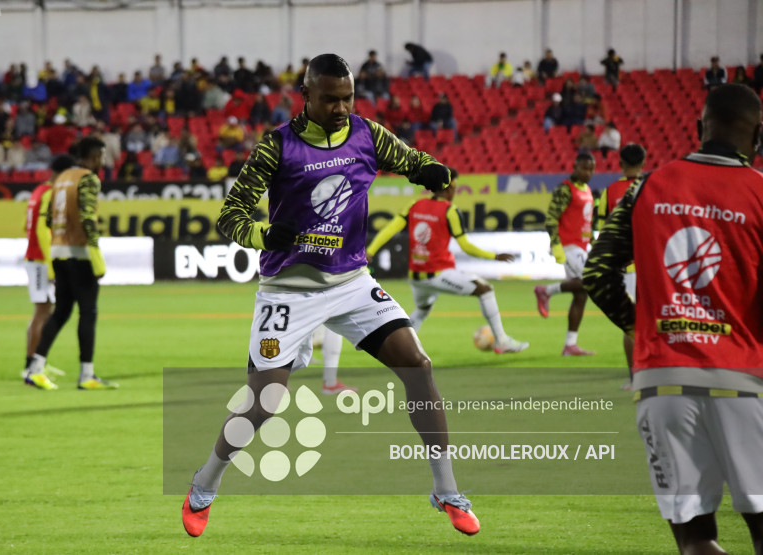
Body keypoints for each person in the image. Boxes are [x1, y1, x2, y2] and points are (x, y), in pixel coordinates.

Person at [182, 53, 479, 538]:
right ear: (306, 95)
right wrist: (263, 235)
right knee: (265, 400)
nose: (341, 108)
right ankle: (205, 483)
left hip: (351, 282)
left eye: (348, 98)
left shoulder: (367, 134)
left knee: (418, 365)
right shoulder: (277, 146)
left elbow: (413, 160)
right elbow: (230, 215)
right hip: (288, 289)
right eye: (330, 99)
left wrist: (432, 171)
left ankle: (447, 490)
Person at [583, 83, 763, 555]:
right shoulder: (760, 193)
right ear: (758, 135)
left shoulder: (646, 187)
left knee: (696, 540)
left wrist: (642, 328)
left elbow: (597, 273)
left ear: (700, 127)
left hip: (661, 380)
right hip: (744, 378)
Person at [366, 168, 528, 353]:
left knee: (422, 309)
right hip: (437, 274)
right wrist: (494, 256)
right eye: (454, 187)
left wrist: (370, 250)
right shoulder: (450, 211)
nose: (454, 192)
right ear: (449, 188)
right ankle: (502, 341)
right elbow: (465, 245)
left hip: (416, 277)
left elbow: (390, 229)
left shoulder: (415, 205)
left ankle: (400, 350)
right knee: (485, 290)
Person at [23, 137, 118, 391]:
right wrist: (97, 259)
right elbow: (87, 218)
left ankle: (35, 368)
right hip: (80, 254)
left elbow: (48, 220)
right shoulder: (88, 179)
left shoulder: (61, 179)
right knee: (88, 313)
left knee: (61, 312)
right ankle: (87, 374)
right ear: (94, 156)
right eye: (102, 155)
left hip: (58, 252)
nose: (104, 161)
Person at [533, 152, 597, 356]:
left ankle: (570, 345)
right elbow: (551, 218)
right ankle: (546, 291)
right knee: (591, 281)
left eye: (591, 169)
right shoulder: (565, 189)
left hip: (581, 246)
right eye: (584, 168)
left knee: (581, 294)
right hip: (568, 246)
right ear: (575, 167)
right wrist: (556, 246)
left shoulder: (587, 190)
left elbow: (586, 222)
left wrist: (594, 244)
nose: (587, 173)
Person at [594, 143, 646, 383]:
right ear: (644, 163)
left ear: (621, 163)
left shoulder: (610, 191)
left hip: (625, 267)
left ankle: (634, 377)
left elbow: (601, 229)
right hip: (652, 265)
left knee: (631, 323)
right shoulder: (652, 187)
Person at [22, 155, 76, 380]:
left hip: (36, 258)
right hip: (40, 261)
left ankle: (36, 363)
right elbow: (42, 230)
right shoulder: (50, 193)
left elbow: (26, 226)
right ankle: (30, 368)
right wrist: (50, 263)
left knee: (43, 311)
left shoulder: (38, 191)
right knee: (42, 312)